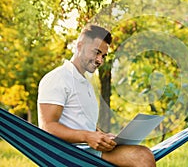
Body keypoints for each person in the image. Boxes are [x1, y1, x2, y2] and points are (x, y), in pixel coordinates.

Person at [37, 24, 156, 167]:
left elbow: (84, 125)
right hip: (69, 153)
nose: (100, 60)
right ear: (80, 46)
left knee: (141, 153)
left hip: (87, 149)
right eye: (96, 52)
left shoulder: (85, 83)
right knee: (142, 156)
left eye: (103, 56)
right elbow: (47, 127)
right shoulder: (58, 78)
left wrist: (104, 137)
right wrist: (87, 137)